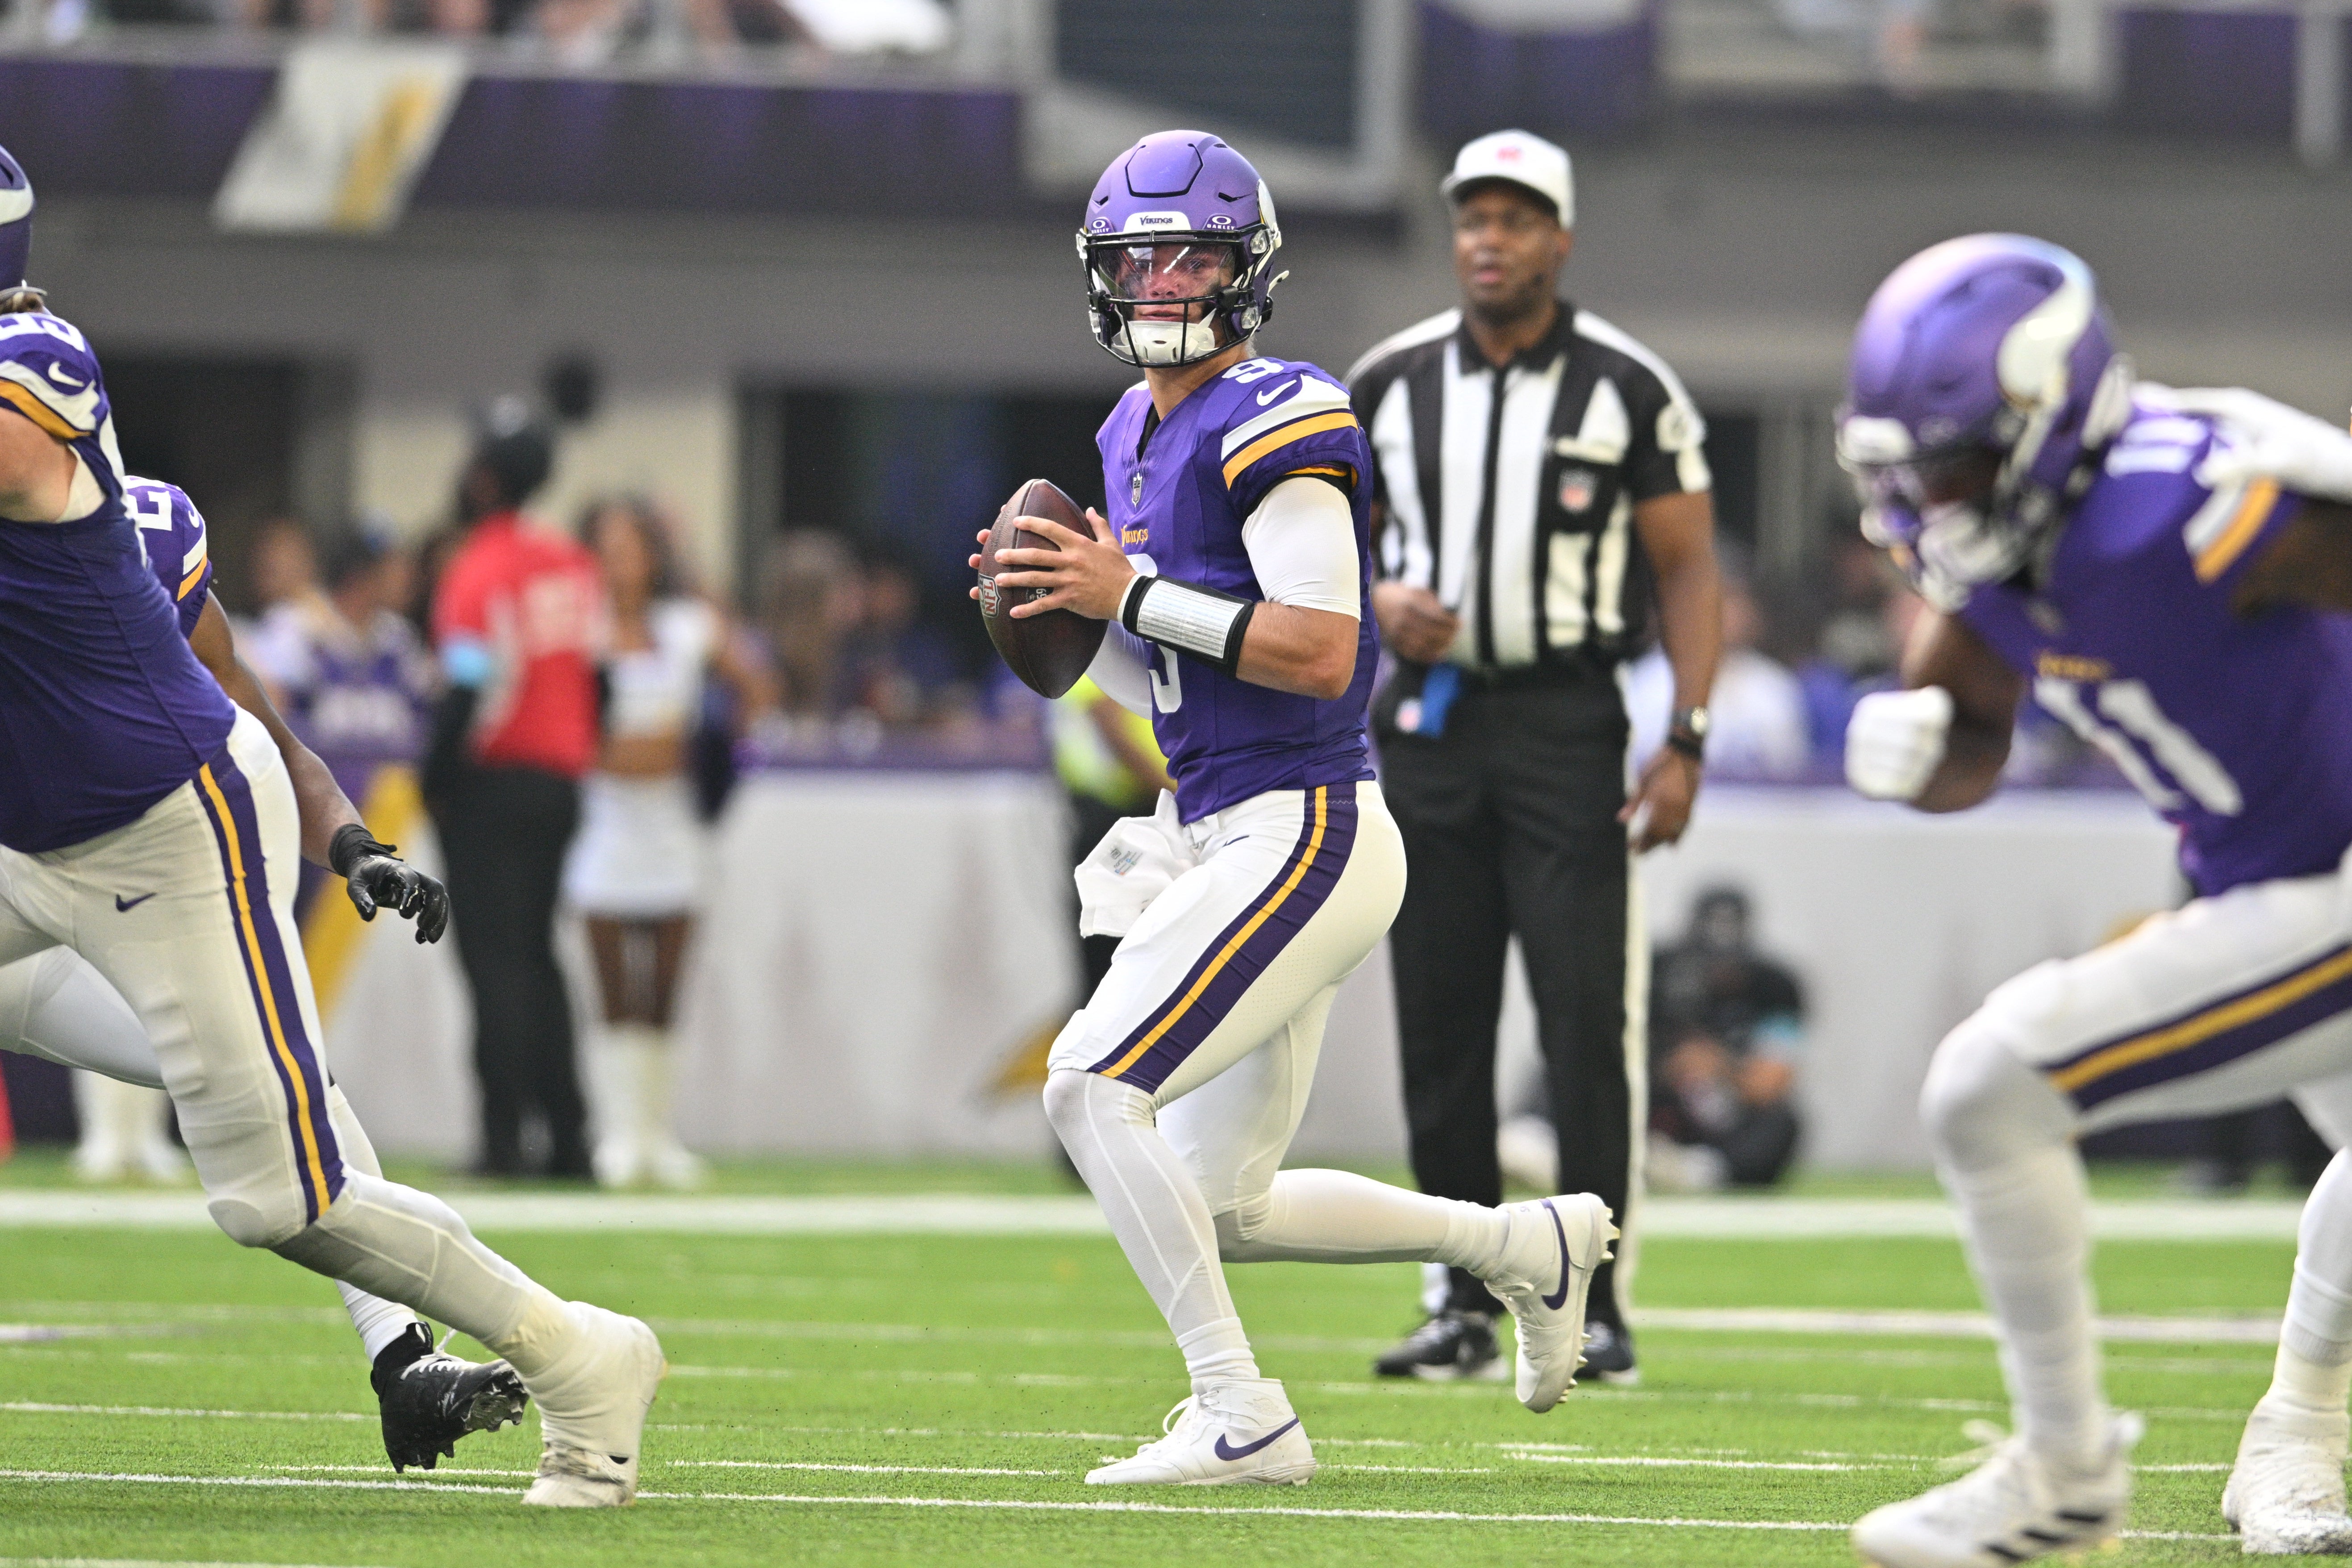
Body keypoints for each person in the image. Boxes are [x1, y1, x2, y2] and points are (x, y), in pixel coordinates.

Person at [0, 143, 661, 1506]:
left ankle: (577, 1352)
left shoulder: (41, 366)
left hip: (158, 829)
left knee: (275, 1200)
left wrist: (345, 837)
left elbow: (237, 692)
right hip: (23, 841)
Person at [978, 130, 1615, 1488]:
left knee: (1092, 1086)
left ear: (1246, 268)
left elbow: (1322, 649)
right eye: (1136, 262)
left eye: (1190, 256)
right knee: (1224, 1204)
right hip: (1225, 820)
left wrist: (1124, 595)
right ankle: (1523, 1247)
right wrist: (1056, 597)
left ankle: (1239, 1411)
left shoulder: (1280, 407)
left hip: (1305, 822)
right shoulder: (1127, 425)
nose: (1160, 286)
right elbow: (1172, 635)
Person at [1835, 233, 2352, 1563]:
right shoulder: (2008, 554)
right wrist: (1915, 750)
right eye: (1914, 471)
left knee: (1985, 1087)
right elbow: (1972, 742)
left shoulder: (2188, 506)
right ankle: (2291, 1436)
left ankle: (2064, 1471)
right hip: (2271, 869)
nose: (1933, 502)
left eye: (1952, 466)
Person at [1344, 129, 1723, 1388]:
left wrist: (1684, 737)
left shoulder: (1625, 384)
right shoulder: (1386, 383)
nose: (1489, 240)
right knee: (1437, 1022)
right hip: (1431, 727)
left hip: (1569, 725)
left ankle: (1597, 1298)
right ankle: (1456, 1292)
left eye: (1515, 219)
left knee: (1580, 1025)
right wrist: (1377, 595)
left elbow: (1685, 568)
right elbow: (1308, 544)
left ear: (1559, 238)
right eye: (1472, 219)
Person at [564, 495, 769, 1189]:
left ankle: (659, 1134)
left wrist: (712, 752)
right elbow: (581, 742)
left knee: (666, 996)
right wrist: (648, 751)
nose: (618, 565)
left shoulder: (685, 628)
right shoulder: (580, 632)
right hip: (604, 832)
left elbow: (756, 684)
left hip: (675, 833)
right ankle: (618, 1133)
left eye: (632, 549)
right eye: (606, 550)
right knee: (616, 992)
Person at [425, 402, 604, 1179]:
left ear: (485, 478)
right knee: (538, 957)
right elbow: (600, 680)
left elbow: (467, 687)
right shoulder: (572, 563)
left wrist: (437, 778)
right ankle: (568, 1136)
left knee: (492, 964)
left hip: (492, 782)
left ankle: (503, 1137)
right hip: (560, 783)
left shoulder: (479, 565)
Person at [1645, 885, 1804, 1190]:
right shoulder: (1655, 971)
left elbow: (1772, 1081)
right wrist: (1668, 1065)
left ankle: (1700, 1172)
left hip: (1723, 1108)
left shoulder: (1777, 987)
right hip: (1656, 1098)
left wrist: (1720, 1067)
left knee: (1782, 1122)